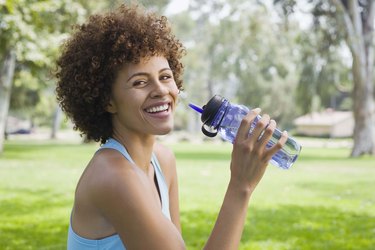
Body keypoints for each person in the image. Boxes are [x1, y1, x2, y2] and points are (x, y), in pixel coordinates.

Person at [55, 4, 288, 250]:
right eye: (140, 82)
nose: (161, 91)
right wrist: (241, 185)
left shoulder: (162, 160)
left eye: (165, 77)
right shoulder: (113, 177)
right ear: (108, 101)